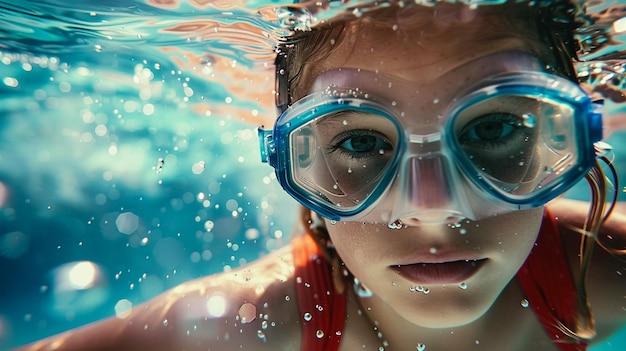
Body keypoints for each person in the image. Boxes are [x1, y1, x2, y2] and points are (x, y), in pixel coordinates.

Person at [16, 1, 626, 350]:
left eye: (493, 130)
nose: (433, 208)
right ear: (291, 160)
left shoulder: (602, 265)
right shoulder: (248, 322)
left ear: (570, 139)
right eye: (360, 142)